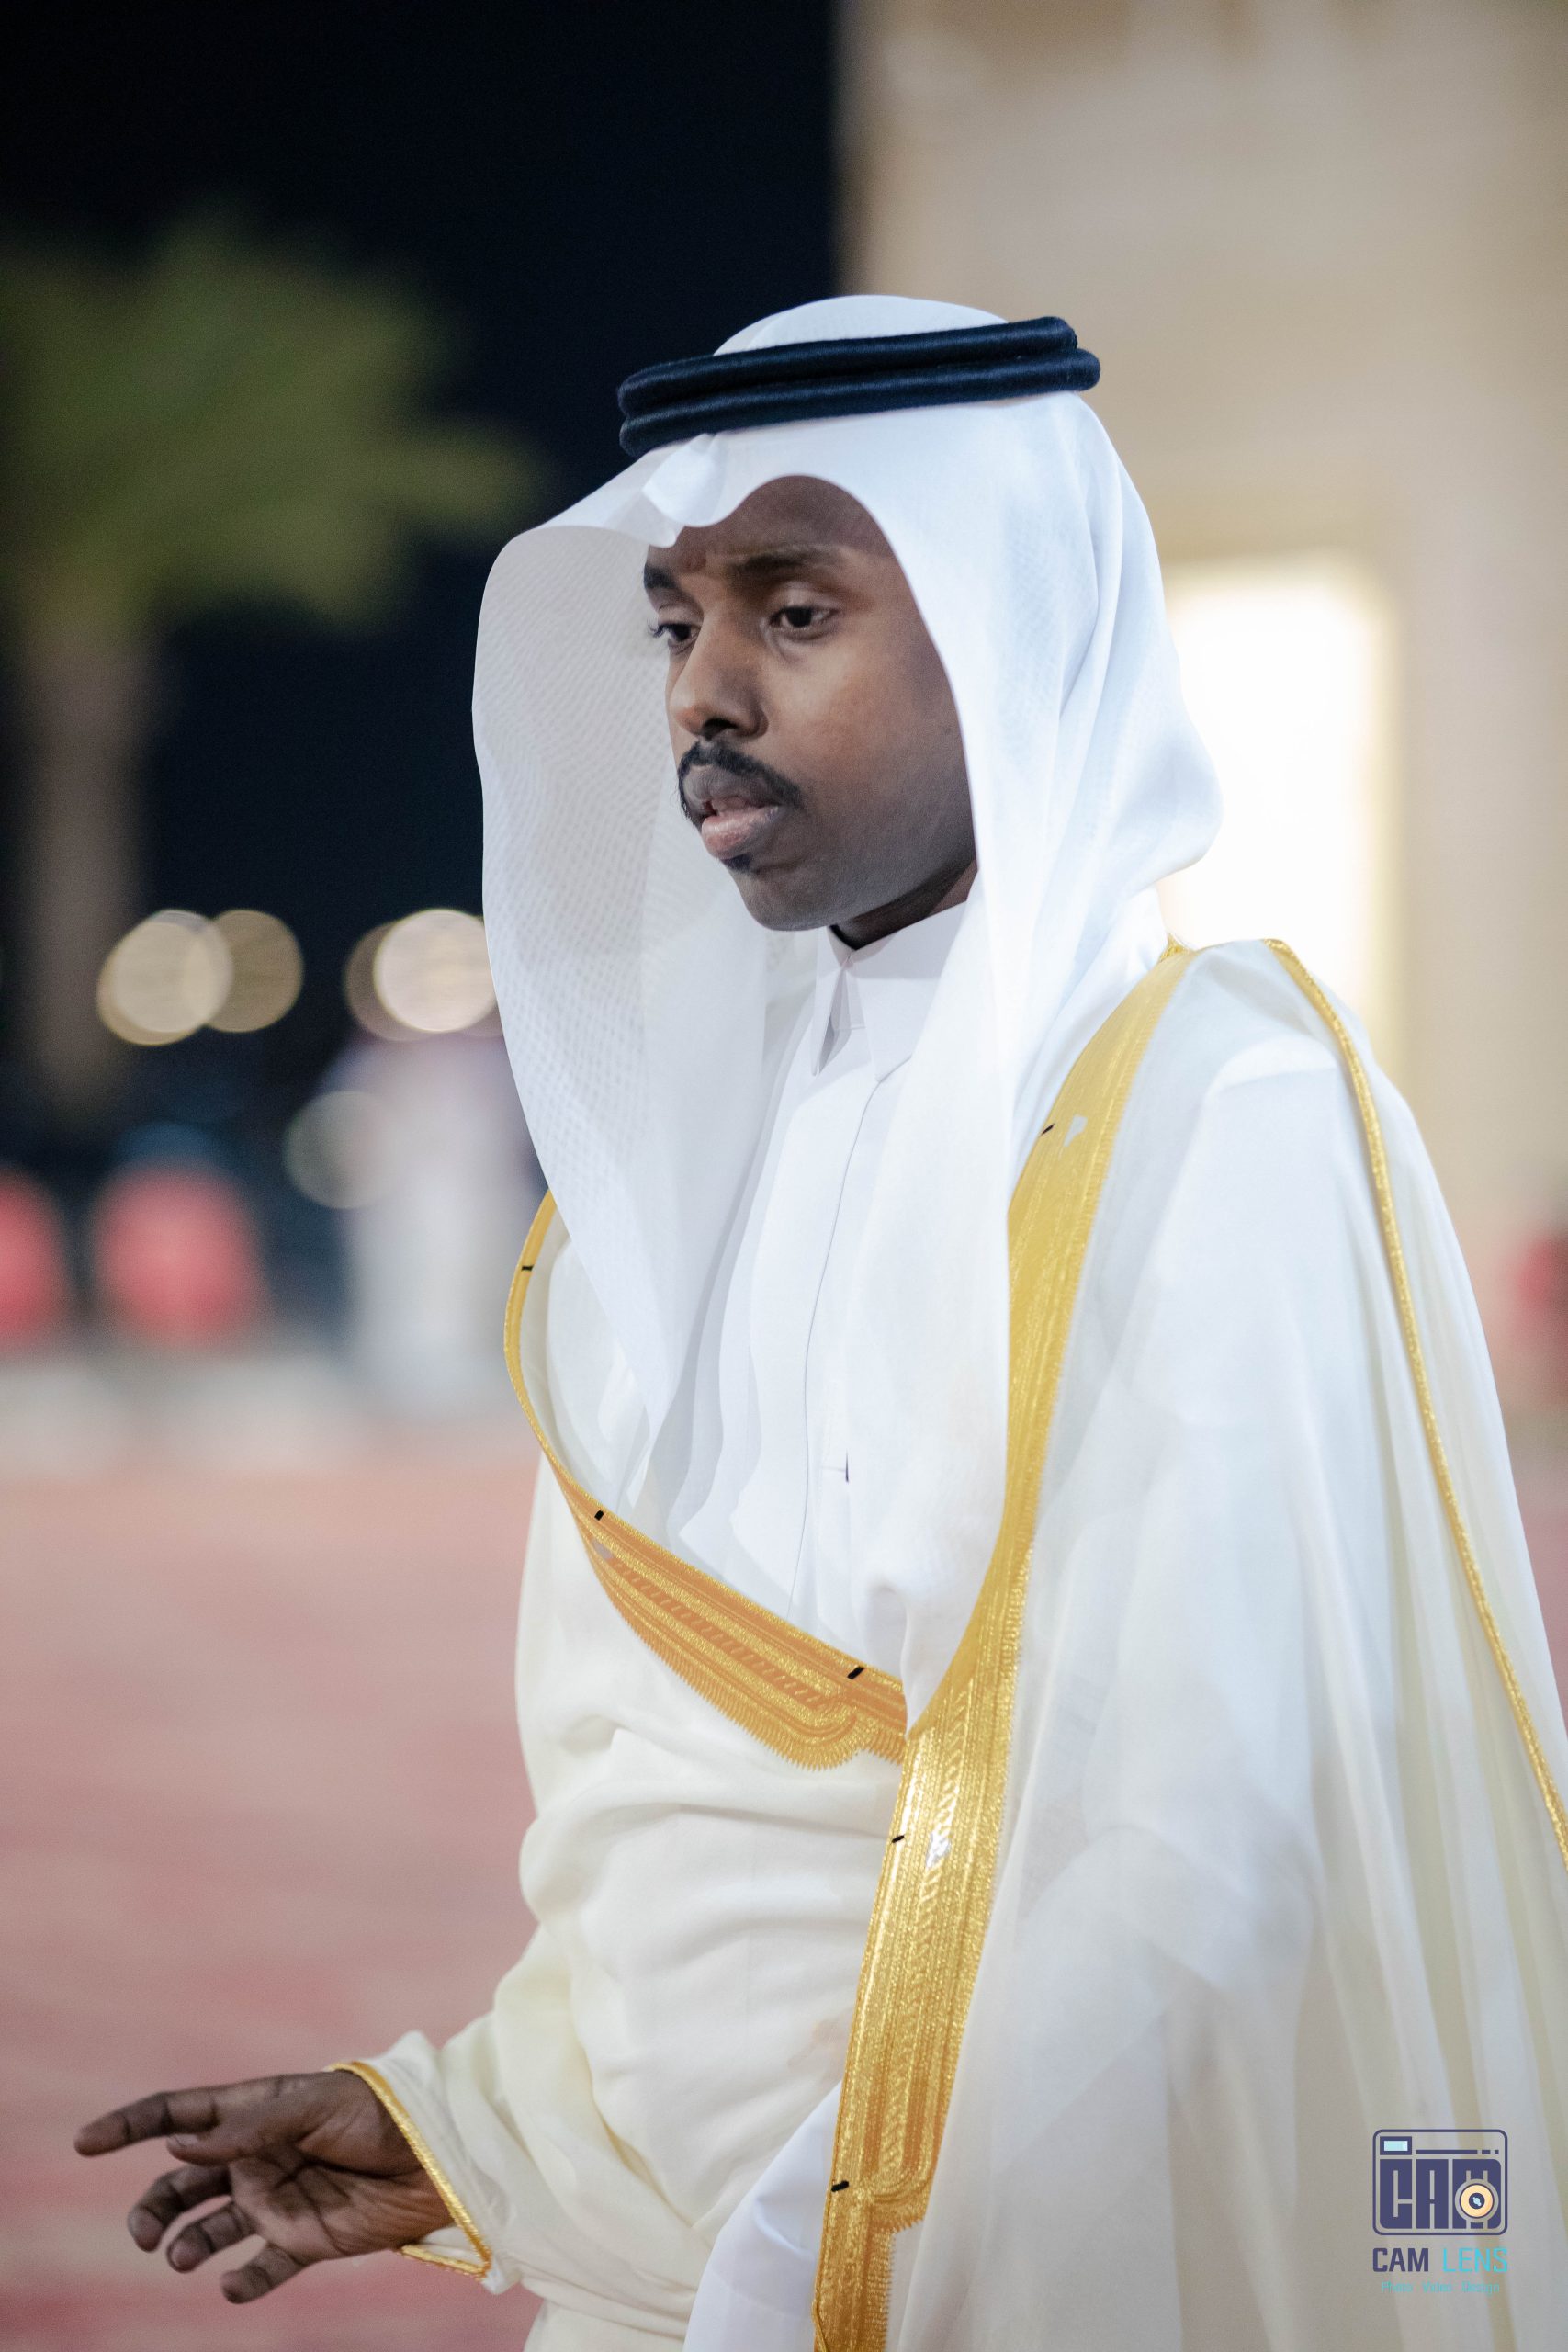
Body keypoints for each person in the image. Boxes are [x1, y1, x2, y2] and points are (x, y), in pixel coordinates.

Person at [76, 298, 1568, 2349]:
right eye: (673, 623)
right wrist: (476, 2129)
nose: (702, 691)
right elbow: (676, 1794)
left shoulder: (1217, 1104)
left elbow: (1199, 1855)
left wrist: (816, 2262)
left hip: (1002, 2269)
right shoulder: (705, 1146)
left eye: (793, 613)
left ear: (1017, 635)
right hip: (690, 2284)